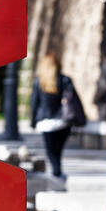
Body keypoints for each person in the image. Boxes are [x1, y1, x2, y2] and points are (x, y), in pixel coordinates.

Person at [30, 51, 86, 180]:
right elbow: (74, 101)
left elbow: (34, 103)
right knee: (58, 150)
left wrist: (33, 121)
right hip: (63, 122)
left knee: (51, 150)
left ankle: (57, 172)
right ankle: (58, 172)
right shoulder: (65, 80)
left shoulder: (39, 82)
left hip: (46, 123)